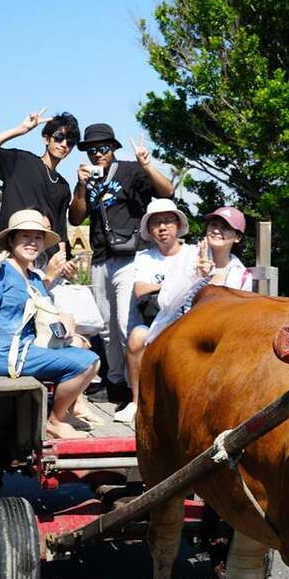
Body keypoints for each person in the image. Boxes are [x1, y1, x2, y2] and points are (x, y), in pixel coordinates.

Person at [116, 204, 252, 424]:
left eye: (226, 227)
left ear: (237, 237)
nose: (217, 230)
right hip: (177, 331)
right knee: (141, 338)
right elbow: (166, 301)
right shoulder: (189, 257)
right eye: (214, 224)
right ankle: (139, 403)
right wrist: (196, 275)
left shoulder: (242, 275)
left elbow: (240, 319)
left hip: (217, 339)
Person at [67, 124, 174, 405]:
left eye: (103, 148)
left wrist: (147, 165)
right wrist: (81, 185)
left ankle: (136, 387)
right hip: (100, 258)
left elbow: (167, 192)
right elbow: (75, 218)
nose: (98, 154)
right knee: (105, 327)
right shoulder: (87, 179)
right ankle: (115, 383)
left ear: (113, 148)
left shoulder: (130, 170)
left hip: (131, 256)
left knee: (128, 325)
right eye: (92, 150)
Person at [0, 209, 97, 439]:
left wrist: (64, 321)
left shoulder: (34, 277)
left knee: (84, 349)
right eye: (25, 236)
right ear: (12, 239)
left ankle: (64, 413)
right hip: (7, 354)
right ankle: (54, 421)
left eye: (38, 237)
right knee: (88, 363)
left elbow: (46, 317)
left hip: (30, 348)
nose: (32, 242)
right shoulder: (2, 269)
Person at [0, 110, 80, 255]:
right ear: (46, 139)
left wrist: (61, 260)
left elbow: (60, 230)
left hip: (43, 257)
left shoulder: (63, 186)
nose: (64, 144)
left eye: (70, 142)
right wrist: (22, 129)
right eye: (59, 137)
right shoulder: (21, 161)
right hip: (9, 252)